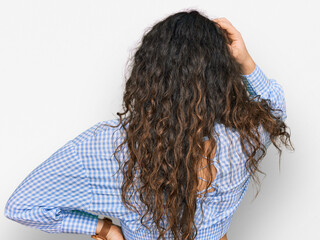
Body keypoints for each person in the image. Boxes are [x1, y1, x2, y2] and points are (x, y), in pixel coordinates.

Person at [4, 10, 293, 240]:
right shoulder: (242, 138)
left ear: (147, 75)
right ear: (221, 78)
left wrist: (104, 229)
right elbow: (275, 107)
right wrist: (246, 61)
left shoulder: (109, 147)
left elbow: (22, 206)